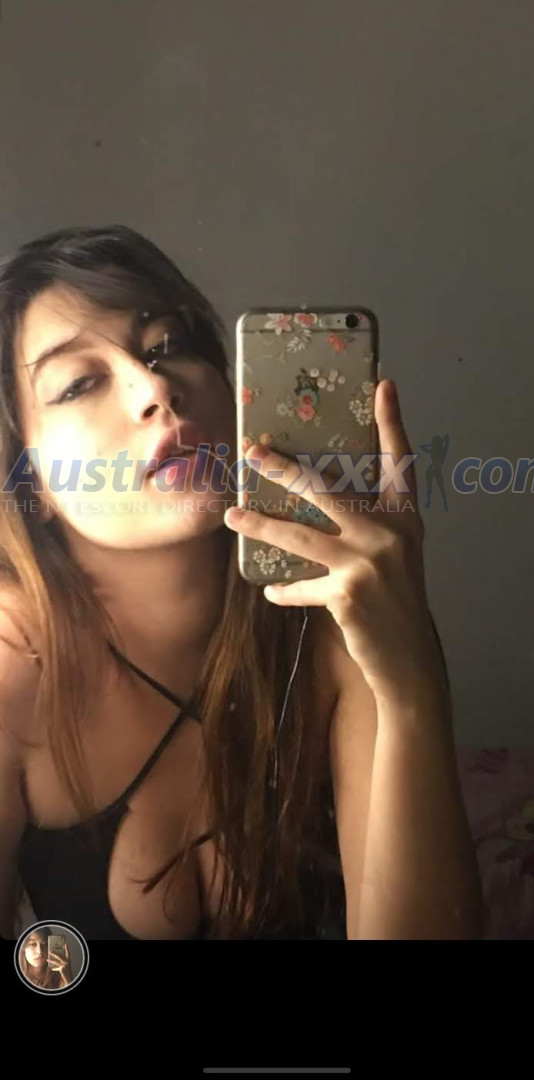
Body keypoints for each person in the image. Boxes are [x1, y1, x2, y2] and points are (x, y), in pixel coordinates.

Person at [0, 225, 483, 940]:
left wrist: (411, 677)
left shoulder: (332, 610)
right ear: (28, 478)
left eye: (167, 344)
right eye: (78, 383)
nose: (155, 386)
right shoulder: (14, 667)